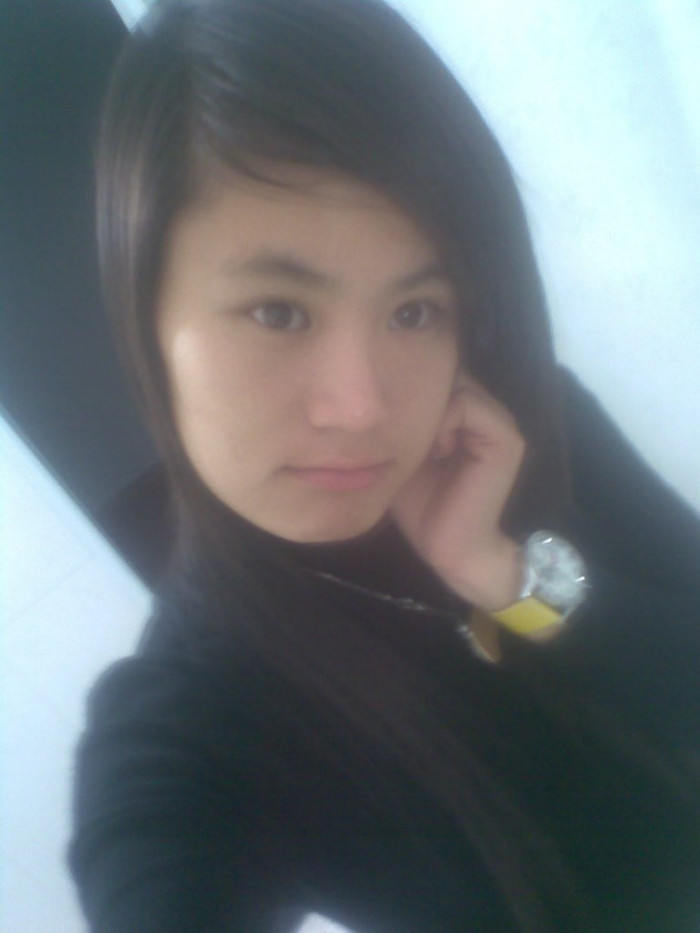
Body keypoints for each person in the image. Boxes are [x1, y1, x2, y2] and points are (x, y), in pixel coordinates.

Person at [68, 1, 700, 931]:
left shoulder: (530, 424)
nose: (361, 407)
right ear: (147, 319)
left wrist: (503, 574)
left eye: (414, 312)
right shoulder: (186, 723)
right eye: (279, 311)